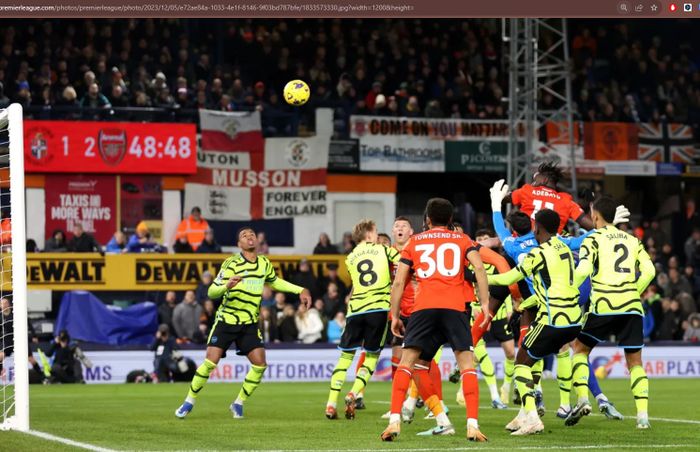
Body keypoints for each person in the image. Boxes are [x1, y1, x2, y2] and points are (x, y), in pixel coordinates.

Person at [381, 198, 490, 442]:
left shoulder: (414, 242)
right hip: (455, 308)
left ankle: (394, 421)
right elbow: (480, 270)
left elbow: (399, 281)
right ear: (451, 220)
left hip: (424, 308)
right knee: (467, 366)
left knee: (408, 363)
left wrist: (395, 315)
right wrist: (484, 304)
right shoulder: (463, 240)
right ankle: (472, 425)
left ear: (427, 219)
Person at [175, 227, 312, 419]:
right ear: (239, 244)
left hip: (248, 323)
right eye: (244, 235)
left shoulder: (264, 263)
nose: (249, 237)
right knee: (210, 362)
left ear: (257, 241)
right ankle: (189, 401)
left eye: (252, 234)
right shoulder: (231, 263)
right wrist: (226, 285)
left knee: (260, 364)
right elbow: (211, 292)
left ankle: (238, 403)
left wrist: (300, 290)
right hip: (227, 320)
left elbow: (275, 282)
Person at [488, 209, 583, 436]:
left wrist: (479, 276)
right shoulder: (565, 248)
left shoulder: (539, 253)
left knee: (521, 363)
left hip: (553, 320)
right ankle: (523, 414)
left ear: (536, 227)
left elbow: (509, 278)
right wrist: (524, 306)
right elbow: (553, 287)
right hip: (573, 321)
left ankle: (532, 418)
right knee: (532, 360)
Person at [566, 197, 656, 430]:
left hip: (604, 304)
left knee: (580, 350)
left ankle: (583, 398)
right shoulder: (632, 239)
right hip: (631, 306)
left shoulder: (592, 239)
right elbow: (649, 271)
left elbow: (584, 268)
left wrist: (568, 289)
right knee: (635, 362)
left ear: (595, 216)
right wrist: (633, 291)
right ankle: (643, 417)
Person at [325, 219, 400, 421]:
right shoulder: (384, 250)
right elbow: (404, 260)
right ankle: (354, 393)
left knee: (345, 358)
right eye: (375, 232)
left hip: (355, 310)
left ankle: (331, 403)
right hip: (378, 308)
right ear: (368, 235)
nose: (377, 236)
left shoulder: (349, 258)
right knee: (372, 357)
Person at [504, 162, 594, 232]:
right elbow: (589, 223)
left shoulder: (527, 190)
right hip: (550, 249)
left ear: (545, 180)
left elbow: (501, 199)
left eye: (535, 180)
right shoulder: (566, 201)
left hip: (521, 245)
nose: (532, 183)